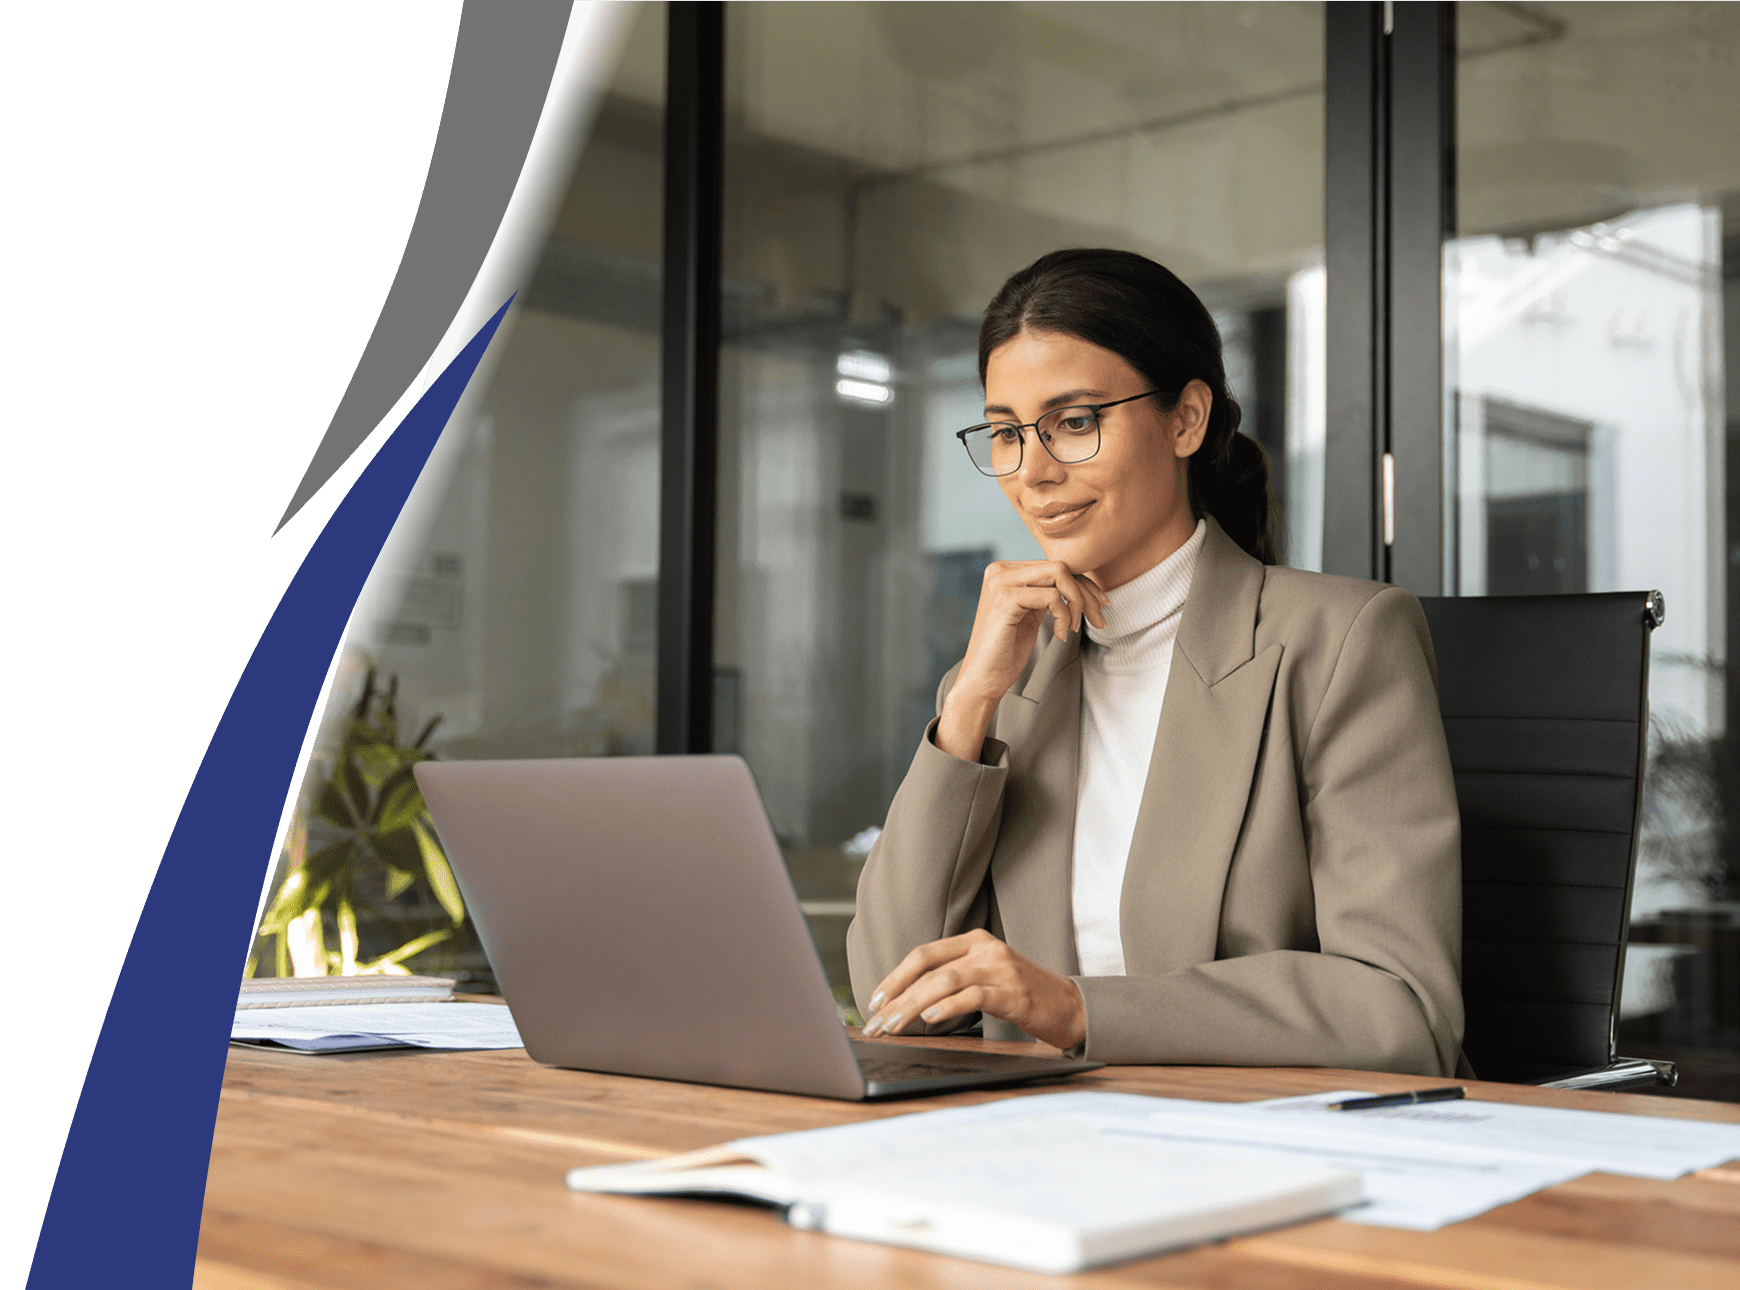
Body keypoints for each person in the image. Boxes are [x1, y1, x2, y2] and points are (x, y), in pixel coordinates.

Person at [846, 248, 1464, 1078]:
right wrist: (968, 707)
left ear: (1186, 420)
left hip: (1255, 1131)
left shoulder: (1342, 640)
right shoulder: (1005, 680)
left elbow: (1402, 1010)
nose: (1033, 473)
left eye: (1074, 422)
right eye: (1006, 433)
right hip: (1038, 1131)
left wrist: (1076, 1010)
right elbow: (891, 996)